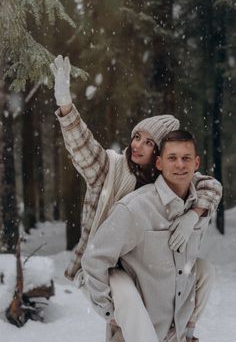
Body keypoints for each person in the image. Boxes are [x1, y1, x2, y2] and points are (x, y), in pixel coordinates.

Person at [50, 56, 222, 342]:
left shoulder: (166, 176)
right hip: (105, 263)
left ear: (159, 156)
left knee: (201, 270)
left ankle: (185, 332)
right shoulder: (112, 168)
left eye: (149, 142)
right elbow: (83, 148)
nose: (138, 145)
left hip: (140, 260)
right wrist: (66, 106)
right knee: (127, 301)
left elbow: (210, 185)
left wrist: (195, 213)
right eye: (137, 136)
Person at [81, 130, 220, 342]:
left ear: (197, 163)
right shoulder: (135, 208)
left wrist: (194, 215)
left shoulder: (198, 205)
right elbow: (94, 259)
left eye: (186, 158)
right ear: (158, 163)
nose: (180, 165)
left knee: (205, 270)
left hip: (177, 334)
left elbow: (215, 188)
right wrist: (109, 312)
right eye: (172, 158)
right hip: (138, 333)